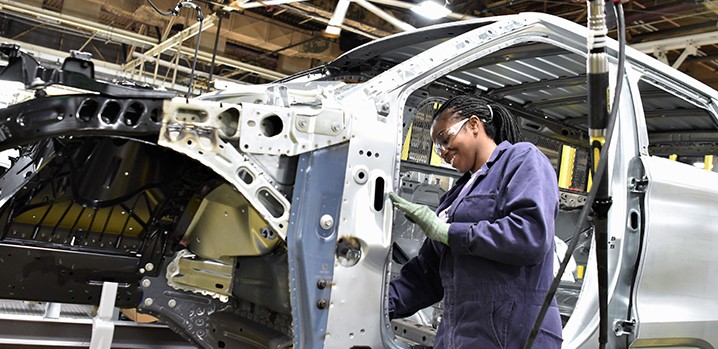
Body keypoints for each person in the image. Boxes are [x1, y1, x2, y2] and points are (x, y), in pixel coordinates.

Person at [388, 95, 562, 348]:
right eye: (438, 148)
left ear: (473, 124)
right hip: (460, 335)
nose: (443, 152)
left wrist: (449, 233)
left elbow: (530, 236)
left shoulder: (522, 159)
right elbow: (426, 276)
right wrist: (376, 306)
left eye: (445, 139)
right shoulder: (454, 197)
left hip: (513, 332)